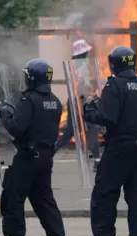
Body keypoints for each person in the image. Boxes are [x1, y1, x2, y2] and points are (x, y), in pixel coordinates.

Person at [84, 45, 137, 236]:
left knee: (105, 191)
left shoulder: (114, 86)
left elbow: (108, 118)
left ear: (114, 64)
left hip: (120, 146)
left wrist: (89, 110)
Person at [0, 59, 67, 236]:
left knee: (13, 198)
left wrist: (4, 116)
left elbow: (18, 128)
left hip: (27, 156)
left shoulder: (29, 100)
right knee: (44, 199)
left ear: (32, 77)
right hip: (45, 157)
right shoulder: (55, 101)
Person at [55, 39, 101, 170]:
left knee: (70, 131)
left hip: (74, 100)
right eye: (86, 51)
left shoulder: (73, 64)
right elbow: (82, 85)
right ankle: (97, 160)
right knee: (91, 128)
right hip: (81, 101)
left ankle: (50, 153)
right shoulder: (80, 66)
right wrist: (92, 96)